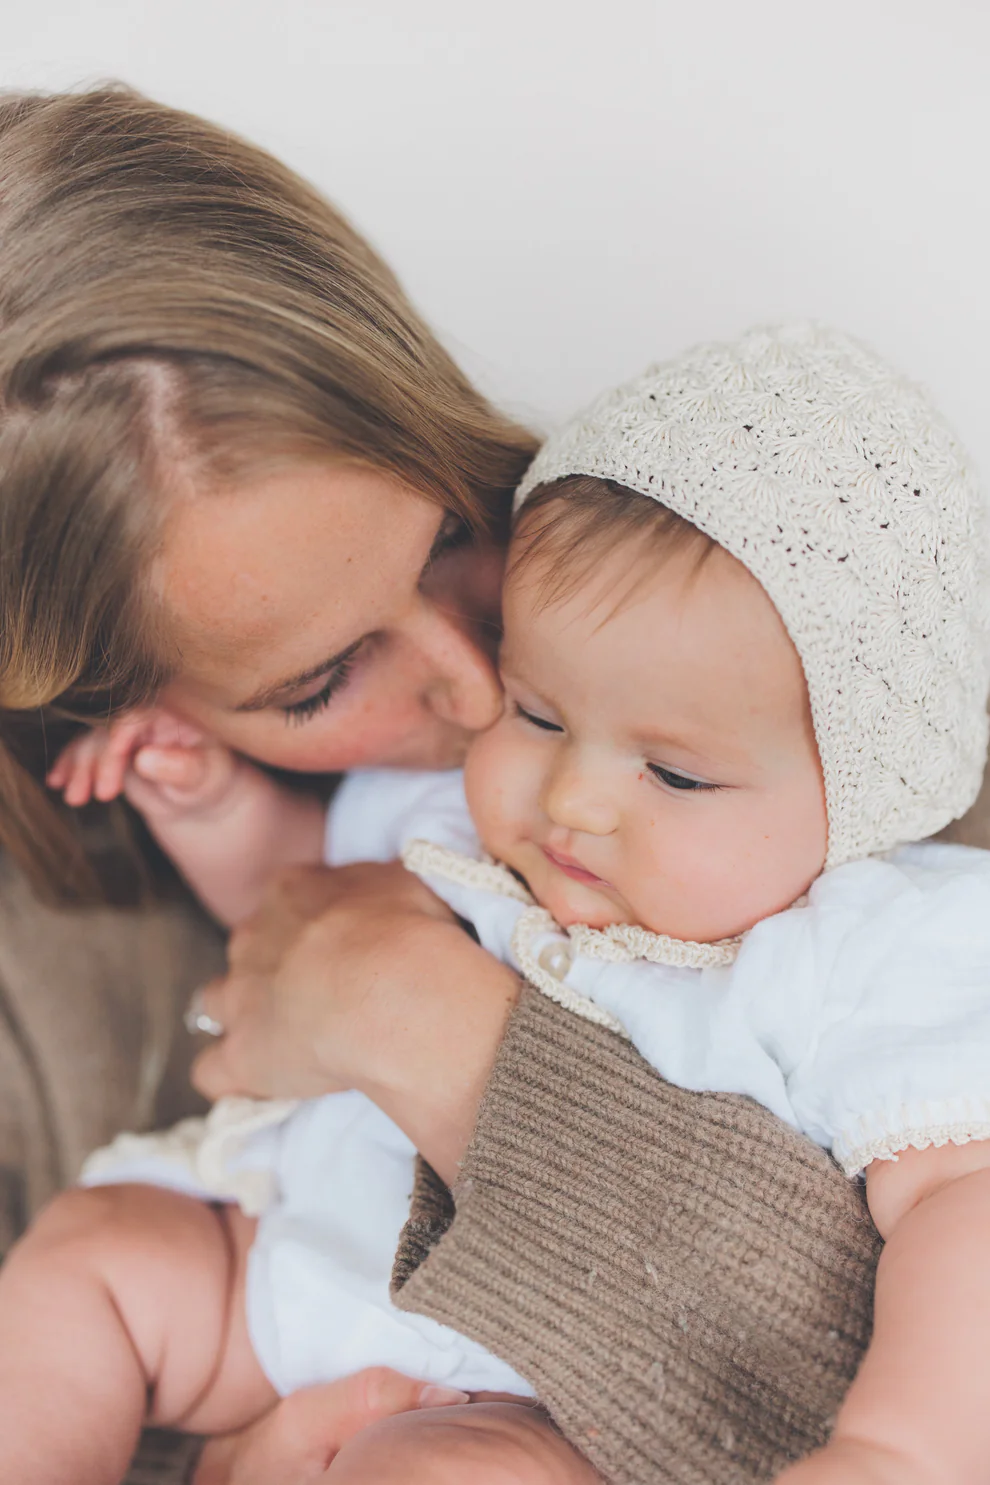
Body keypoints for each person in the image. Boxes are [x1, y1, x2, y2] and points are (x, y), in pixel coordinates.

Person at [0, 87, 926, 1485]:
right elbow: (287, 906)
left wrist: (441, 1040)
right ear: (108, 698)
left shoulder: (759, 663)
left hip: (505, 1403)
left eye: (448, 531)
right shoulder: (472, 794)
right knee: (90, 1259)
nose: (487, 694)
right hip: (289, 1281)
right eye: (317, 681)